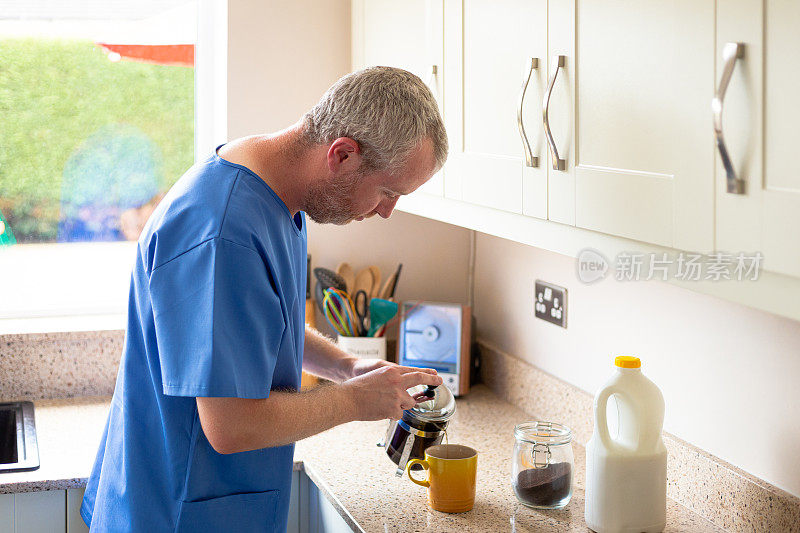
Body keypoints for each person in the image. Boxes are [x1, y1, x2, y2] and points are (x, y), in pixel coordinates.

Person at [80, 66, 448, 532]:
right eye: (387, 191)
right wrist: (355, 401)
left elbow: (265, 320)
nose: (386, 211)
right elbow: (231, 425)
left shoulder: (276, 191)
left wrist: (346, 367)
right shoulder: (223, 231)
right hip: (173, 514)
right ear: (343, 154)